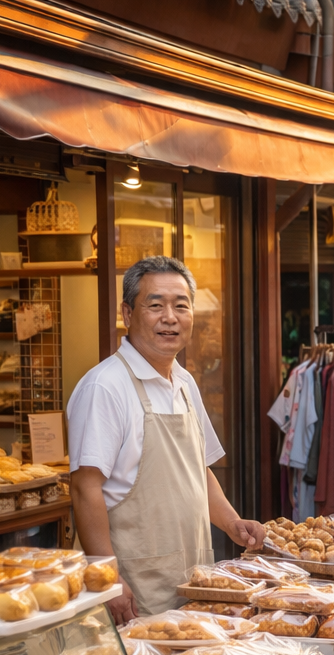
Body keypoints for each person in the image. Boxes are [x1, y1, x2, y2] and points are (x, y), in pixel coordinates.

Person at [68, 256, 266, 623]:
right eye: (155, 305)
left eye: (181, 306)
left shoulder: (185, 383)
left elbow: (197, 468)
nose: (170, 317)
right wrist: (108, 577)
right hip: (133, 583)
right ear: (127, 314)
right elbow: (84, 489)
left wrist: (232, 523)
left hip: (191, 577)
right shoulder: (105, 387)